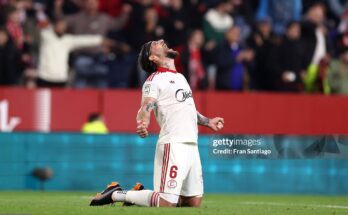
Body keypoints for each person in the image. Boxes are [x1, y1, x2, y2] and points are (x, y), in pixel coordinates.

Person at [90, 39, 225, 207]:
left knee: (192, 203)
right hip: (173, 144)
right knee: (165, 202)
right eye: (155, 43)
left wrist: (207, 121)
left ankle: (140, 195)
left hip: (192, 144)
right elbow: (147, 105)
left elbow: (187, 108)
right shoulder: (153, 81)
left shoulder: (181, 77)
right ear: (153, 57)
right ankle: (116, 193)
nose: (161, 40)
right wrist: (143, 122)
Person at [37, 18, 111, 87]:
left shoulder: (68, 40)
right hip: (44, 77)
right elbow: (40, 24)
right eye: (59, 25)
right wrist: (47, 24)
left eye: (63, 25)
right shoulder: (46, 35)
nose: (61, 27)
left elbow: (86, 40)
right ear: (55, 25)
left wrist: (101, 40)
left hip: (60, 78)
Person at [215, 26, 254, 90]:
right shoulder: (221, 46)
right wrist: (237, 58)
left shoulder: (242, 47)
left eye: (238, 33)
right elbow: (221, 62)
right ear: (227, 34)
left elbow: (251, 65)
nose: (236, 35)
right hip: (225, 87)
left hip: (240, 87)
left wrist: (250, 58)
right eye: (234, 33)